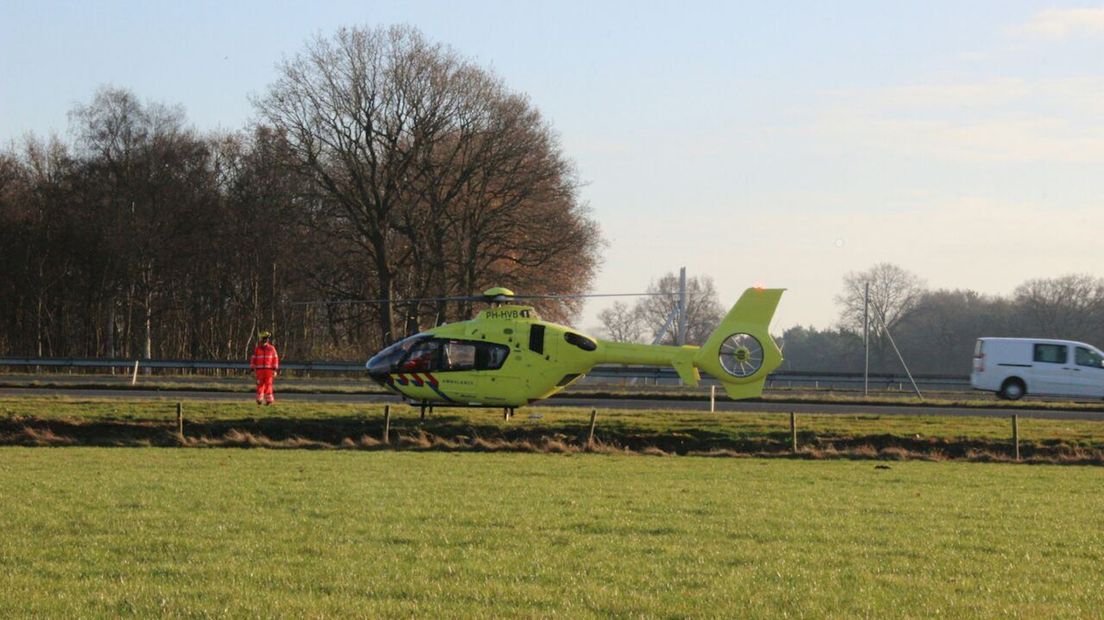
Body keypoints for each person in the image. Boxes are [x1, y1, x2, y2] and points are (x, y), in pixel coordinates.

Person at [250, 330, 280, 405]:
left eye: (266, 338)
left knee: (268, 385)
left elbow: (275, 359)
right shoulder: (257, 349)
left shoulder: (271, 349)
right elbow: (253, 359)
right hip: (259, 370)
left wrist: (275, 370)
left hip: (269, 370)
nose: (265, 340)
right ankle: (259, 399)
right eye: (264, 338)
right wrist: (252, 369)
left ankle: (269, 400)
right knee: (260, 385)